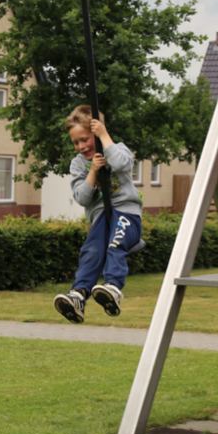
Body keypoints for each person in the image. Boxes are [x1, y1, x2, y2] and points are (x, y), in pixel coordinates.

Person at [53, 106, 143, 324]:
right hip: (101, 218)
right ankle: (79, 294)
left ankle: (112, 286)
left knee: (116, 243)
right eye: (76, 142)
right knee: (91, 250)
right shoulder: (78, 164)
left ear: (96, 132)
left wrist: (104, 136)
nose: (81, 146)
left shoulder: (116, 149)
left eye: (85, 139)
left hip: (126, 214)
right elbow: (82, 198)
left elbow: (122, 164)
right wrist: (92, 171)